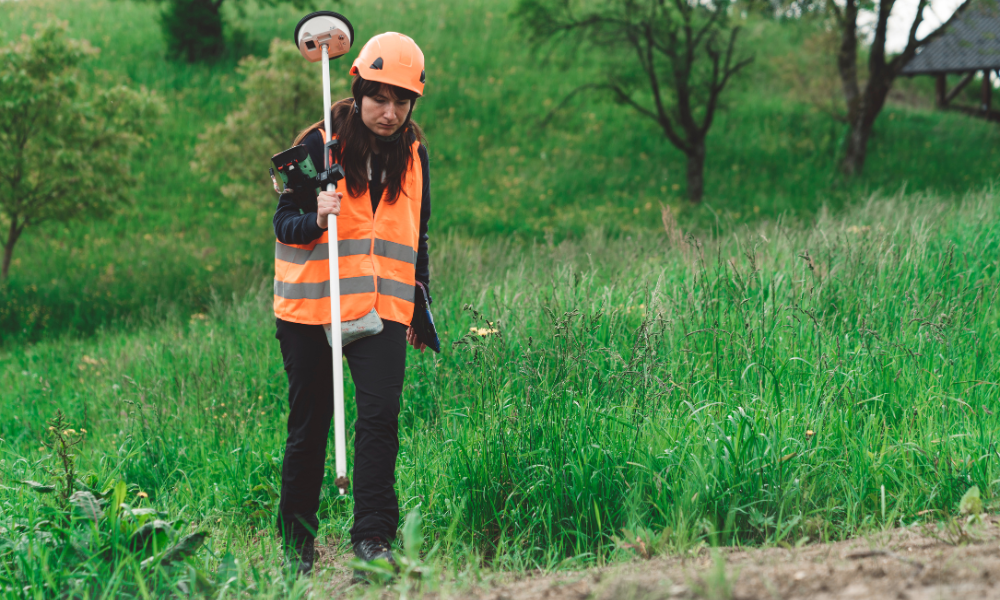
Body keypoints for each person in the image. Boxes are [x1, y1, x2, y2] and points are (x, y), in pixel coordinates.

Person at [271, 32, 431, 577]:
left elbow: (418, 234)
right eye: (378, 98)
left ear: (412, 104)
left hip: (382, 306)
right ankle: (297, 548)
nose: (388, 113)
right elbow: (283, 224)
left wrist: (419, 306)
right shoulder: (317, 147)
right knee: (311, 425)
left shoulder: (414, 155)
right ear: (358, 90)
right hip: (311, 309)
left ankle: (372, 541)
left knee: (381, 418)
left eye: (401, 101)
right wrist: (315, 216)